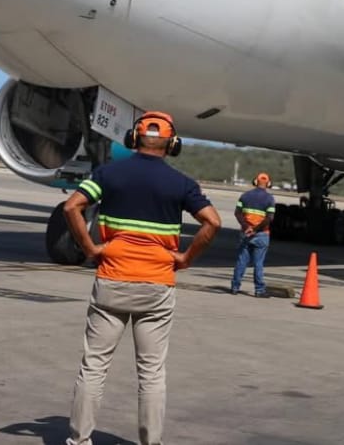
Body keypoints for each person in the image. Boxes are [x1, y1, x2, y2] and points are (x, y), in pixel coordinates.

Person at [63, 110, 221, 445]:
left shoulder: (108, 173)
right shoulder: (181, 184)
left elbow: (71, 206)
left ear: (133, 139)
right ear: (172, 144)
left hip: (112, 280)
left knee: (94, 367)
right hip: (156, 285)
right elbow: (213, 222)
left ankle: (78, 441)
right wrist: (186, 258)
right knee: (151, 374)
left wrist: (91, 247)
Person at [230, 171, 277, 297]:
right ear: (268, 184)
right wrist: (255, 229)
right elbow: (269, 218)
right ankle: (259, 290)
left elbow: (237, 213)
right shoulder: (269, 199)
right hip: (261, 234)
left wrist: (247, 227)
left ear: (255, 182)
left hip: (245, 233)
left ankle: (235, 287)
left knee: (241, 261)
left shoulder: (245, 196)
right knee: (258, 263)